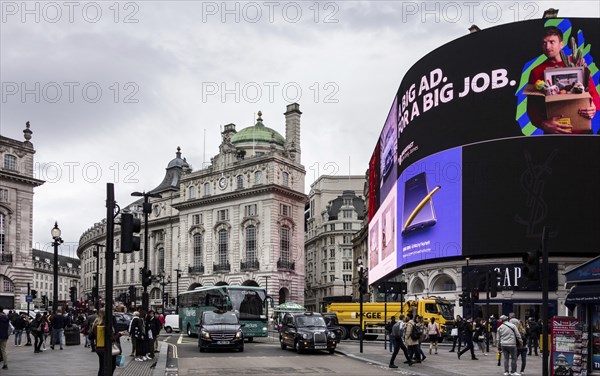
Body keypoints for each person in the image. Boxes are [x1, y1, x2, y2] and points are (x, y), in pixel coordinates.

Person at [527, 26, 599, 134]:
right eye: (544, 43)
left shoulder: (577, 63)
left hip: (582, 130)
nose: (547, 46)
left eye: (552, 42)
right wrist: (544, 124)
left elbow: (594, 94)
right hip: (555, 133)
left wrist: (593, 107)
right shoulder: (536, 71)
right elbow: (532, 108)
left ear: (561, 44)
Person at [91, 308, 121, 376]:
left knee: (102, 367)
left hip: (99, 347)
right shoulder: (105, 324)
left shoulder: (96, 323)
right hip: (106, 348)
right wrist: (119, 334)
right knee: (110, 367)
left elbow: (90, 336)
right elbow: (110, 339)